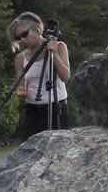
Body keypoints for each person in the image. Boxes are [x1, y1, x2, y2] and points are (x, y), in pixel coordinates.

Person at [9, 11, 71, 139]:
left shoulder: (59, 46)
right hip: (32, 110)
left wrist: (54, 54)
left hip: (56, 107)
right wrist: (20, 92)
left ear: (37, 29)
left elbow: (66, 77)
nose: (22, 40)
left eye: (24, 34)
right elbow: (21, 88)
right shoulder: (20, 58)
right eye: (18, 37)